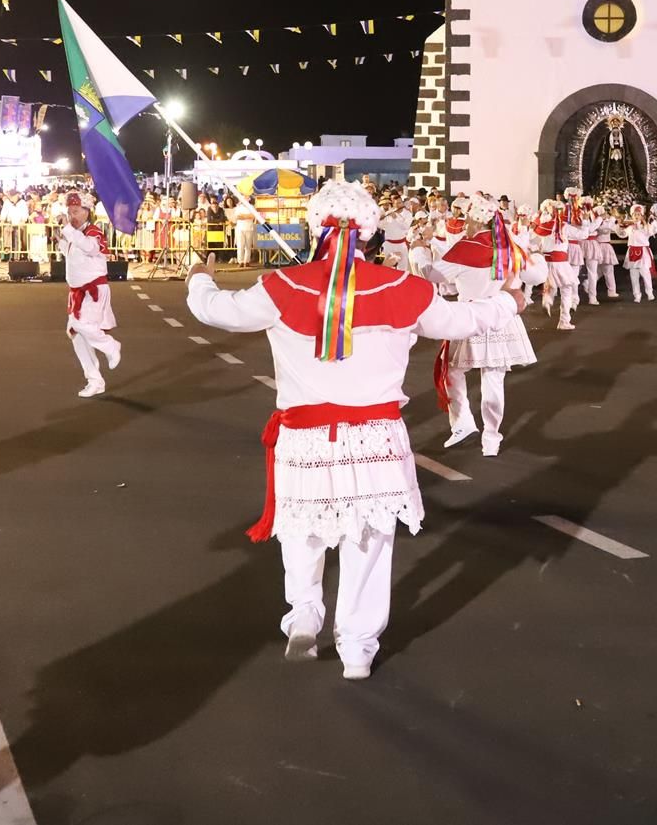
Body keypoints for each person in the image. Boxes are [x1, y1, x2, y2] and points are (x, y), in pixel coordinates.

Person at [184, 181, 524, 679]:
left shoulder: (282, 286)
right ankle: (358, 648)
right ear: (368, 232)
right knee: (368, 539)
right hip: (375, 437)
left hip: (304, 438)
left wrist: (199, 277)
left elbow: (214, 310)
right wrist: (509, 302)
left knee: (302, 526)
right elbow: (462, 319)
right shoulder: (403, 287)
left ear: (315, 228)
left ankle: (304, 611)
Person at [427, 193, 545, 456]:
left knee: (452, 371)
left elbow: (433, 275)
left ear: (476, 220)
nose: (464, 222)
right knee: (493, 378)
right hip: (502, 319)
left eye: (467, 218)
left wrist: (420, 253)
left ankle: (463, 423)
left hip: (470, 317)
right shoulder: (509, 247)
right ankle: (491, 439)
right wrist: (538, 257)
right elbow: (536, 275)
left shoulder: (466, 247)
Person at [57, 192, 122, 397]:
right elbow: (75, 256)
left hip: (93, 290)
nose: (72, 216)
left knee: (81, 326)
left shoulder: (93, 232)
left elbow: (90, 248)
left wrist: (68, 230)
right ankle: (94, 380)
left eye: (76, 211)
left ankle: (110, 346)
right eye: (70, 212)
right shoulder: (75, 233)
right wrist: (61, 241)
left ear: (87, 211)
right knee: (76, 335)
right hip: (78, 292)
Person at [533, 199, 580, 331]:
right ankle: (564, 321)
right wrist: (586, 221)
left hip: (547, 261)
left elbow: (534, 237)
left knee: (551, 284)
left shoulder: (543, 225)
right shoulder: (563, 226)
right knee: (566, 289)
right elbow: (582, 234)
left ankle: (547, 300)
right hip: (560, 262)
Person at [624, 204, 657, 301]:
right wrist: (618, 226)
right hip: (632, 252)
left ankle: (649, 293)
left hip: (643, 252)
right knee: (634, 276)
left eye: (638, 214)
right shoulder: (630, 227)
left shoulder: (645, 226)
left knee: (645, 273)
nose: (636, 216)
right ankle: (637, 295)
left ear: (642, 215)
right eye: (634, 214)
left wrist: (649, 222)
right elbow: (622, 234)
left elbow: (651, 232)